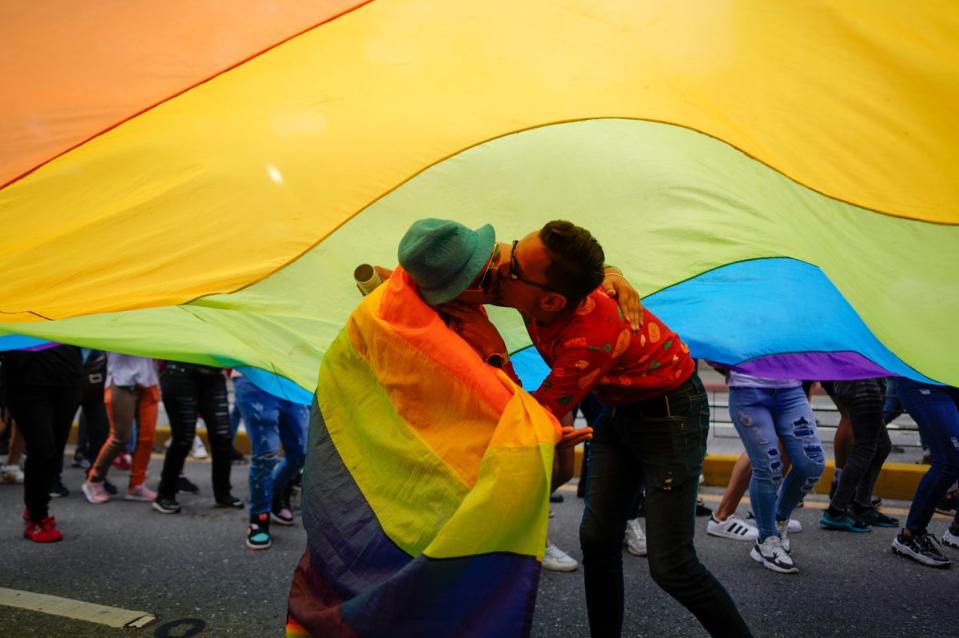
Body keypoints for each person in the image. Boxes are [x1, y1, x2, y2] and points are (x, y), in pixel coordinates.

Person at [398, 218, 751, 637]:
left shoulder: (590, 338)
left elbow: (535, 413)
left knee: (672, 567)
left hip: (672, 415)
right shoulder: (550, 279)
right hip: (620, 408)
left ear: (549, 302)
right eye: (507, 248)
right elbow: (590, 267)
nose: (496, 263)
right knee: (598, 541)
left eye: (507, 266)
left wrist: (494, 351)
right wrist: (614, 274)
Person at [725, 372, 824, 574]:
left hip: (791, 389)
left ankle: (778, 520)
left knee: (812, 464)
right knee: (768, 466)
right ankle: (767, 538)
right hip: (747, 390)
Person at [1, 345, 83, 542]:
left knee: (54, 449)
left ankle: (35, 505)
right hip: (26, 381)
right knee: (42, 448)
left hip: (67, 377)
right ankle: (37, 518)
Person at [232, 371, 308, 550]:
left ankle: (272, 494)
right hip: (254, 377)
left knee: (302, 452)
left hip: (291, 379)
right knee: (265, 455)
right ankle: (259, 517)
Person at [153, 362, 242, 514]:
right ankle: (165, 494)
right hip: (180, 374)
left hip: (214, 376)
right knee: (183, 439)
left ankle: (223, 494)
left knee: (223, 437)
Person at [892, 378, 959, 568]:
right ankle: (910, 535)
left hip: (951, 376)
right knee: (949, 460)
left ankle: (957, 529)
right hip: (923, 380)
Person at [819, 379, 898, 531]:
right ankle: (836, 510)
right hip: (862, 382)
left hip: (866, 381)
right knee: (865, 447)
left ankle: (861, 506)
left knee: (881, 446)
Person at [82, 354, 160, 503]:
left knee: (147, 438)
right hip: (121, 381)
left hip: (149, 382)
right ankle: (93, 481)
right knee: (119, 438)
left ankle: (137, 485)